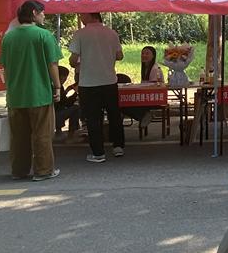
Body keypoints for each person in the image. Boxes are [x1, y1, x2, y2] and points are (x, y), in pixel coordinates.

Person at [0, 0, 62, 182]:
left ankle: (19, 171)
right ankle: (43, 170)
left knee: (19, 136)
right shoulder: (44, 35)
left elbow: (5, 67)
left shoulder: (8, 37)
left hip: (15, 95)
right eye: (42, 12)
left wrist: (10, 87)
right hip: (39, 94)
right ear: (34, 13)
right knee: (42, 134)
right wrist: (57, 86)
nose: (44, 15)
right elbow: (52, 64)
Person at [69, 13, 125, 162]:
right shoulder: (112, 33)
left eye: (82, 15)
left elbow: (73, 60)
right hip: (109, 81)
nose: (80, 18)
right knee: (114, 114)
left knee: (93, 117)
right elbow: (120, 56)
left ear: (91, 15)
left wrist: (81, 60)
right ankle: (118, 146)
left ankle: (98, 153)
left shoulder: (80, 34)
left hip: (88, 83)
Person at [121, 45, 164, 129]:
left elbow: (153, 87)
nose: (144, 55)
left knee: (125, 104)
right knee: (123, 103)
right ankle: (143, 115)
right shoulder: (145, 68)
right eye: (142, 53)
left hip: (154, 97)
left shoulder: (155, 69)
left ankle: (143, 115)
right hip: (146, 95)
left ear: (153, 56)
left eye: (147, 53)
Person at [54, 65, 80, 140]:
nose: (65, 79)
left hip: (56, 114)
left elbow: (64, 101)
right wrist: (75, 93)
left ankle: (60, 132)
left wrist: (68, 91)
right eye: (64, 76)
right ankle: (71, 135)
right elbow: (65, 103)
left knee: (75, 107)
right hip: (55, 116)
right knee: (77, 108)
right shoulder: (56, 87)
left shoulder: (59, 87)